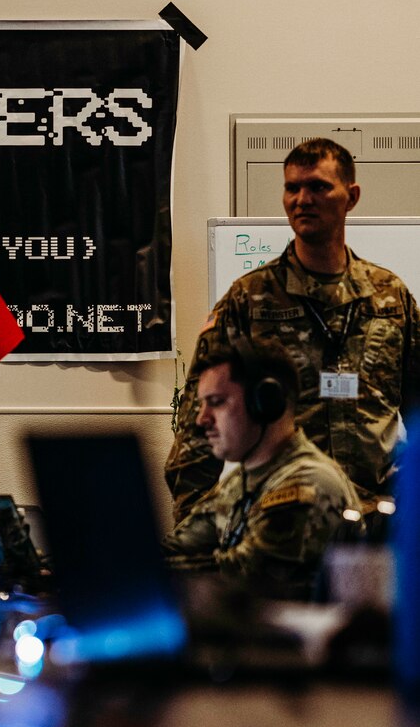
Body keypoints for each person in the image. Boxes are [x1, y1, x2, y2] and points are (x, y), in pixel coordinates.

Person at [166, 137, 420, 523]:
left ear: (351, 197)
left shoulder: (390, 297)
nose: (302, 199)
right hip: (281, 523)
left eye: (318, 186)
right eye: (292, 188)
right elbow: (200, 424)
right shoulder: (249, 300)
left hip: (376, 524)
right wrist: (196, 535)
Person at [166, 342, 352, 598]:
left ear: (265, 402)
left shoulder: (308, 484)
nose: (202, 419)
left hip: (285, 635)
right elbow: (177, 547)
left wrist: (143, 573)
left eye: (216, 402)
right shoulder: (242, 479)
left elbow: (241, 579)